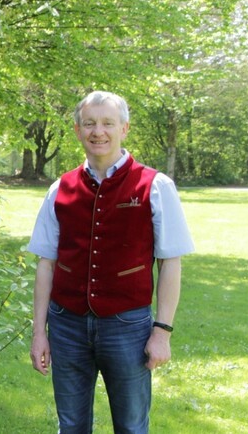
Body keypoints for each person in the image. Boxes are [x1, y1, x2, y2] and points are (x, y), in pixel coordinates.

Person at [28, 91, 195, 433]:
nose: (98, 131)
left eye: (107, 123)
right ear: (77, 130)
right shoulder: (60, 187)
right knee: (71, 424)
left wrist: (161, 332)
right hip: (66, 324)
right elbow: (46, 264)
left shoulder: (156, 185)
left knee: (132, 426)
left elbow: (170, 263)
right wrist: (38, 334)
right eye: (89, 123)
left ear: (124, 128)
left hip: (128, 326)